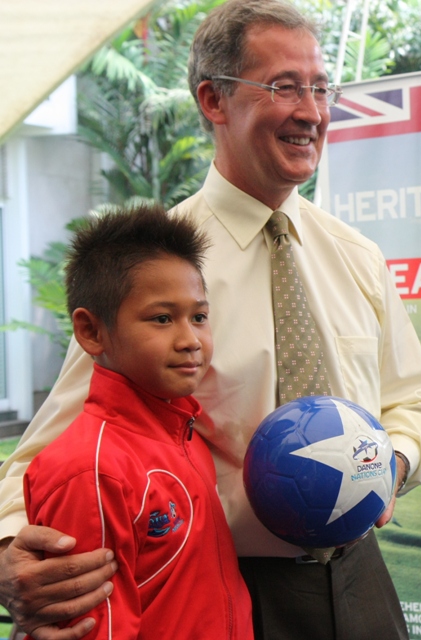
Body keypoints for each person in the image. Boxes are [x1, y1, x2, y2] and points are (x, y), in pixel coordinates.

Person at [0, 1, 421, 639]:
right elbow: (55, 451)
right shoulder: (156, 274)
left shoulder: (357, 257)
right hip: (226, 593)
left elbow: (414, 402)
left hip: (361, 580)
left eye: (321, 88)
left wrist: (387, 466)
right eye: (285, 87)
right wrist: (10, 549)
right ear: (213, 100)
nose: (312, 112)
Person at [22, 204, 253, 640]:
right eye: (162, 318)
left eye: (199, 317)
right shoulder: (92, 471)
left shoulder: (186, 434)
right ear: (92, 332)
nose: (190, 341)